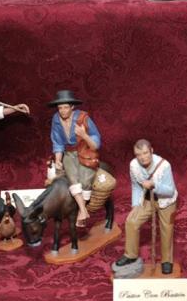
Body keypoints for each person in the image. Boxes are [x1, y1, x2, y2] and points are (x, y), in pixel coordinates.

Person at [112, 140, 177, 278]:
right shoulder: (133, 165)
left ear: (151, 151)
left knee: (166, 229)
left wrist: (154, 185)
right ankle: (130, 255)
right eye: (138, 154)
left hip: (166, 202)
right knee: (131, 221)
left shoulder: (164, 165)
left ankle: (166, 260)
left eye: (145, 153)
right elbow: (136, 186)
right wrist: (135, 205)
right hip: (147, 199)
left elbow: (170, 191)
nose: (142, 157)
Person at [48, 90, 102, 227]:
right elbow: (58, 142)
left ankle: (81, 211)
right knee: (72, 177)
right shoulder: (56, 119)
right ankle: (83, 211)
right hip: (69, 153)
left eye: (65, 107)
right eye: (60, 108)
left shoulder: (83, 118)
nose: (62, 111)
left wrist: (84, 136)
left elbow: (95, 144)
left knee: (85, 180)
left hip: (85, 151)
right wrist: (58, 159)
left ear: (72, 107)